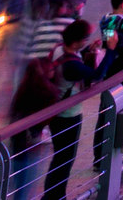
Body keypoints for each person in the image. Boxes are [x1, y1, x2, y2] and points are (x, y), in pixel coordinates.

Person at [44, 20, 98, 200]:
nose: (85, 42)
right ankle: (55, 196)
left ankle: (55, 195)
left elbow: (76, 58)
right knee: (64, 159)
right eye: (85, 39)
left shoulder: (60, 49)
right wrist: (111, 50)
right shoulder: (72, 65)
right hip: (68, 115)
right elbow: (96, 75)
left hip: (56, 112)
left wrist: (88, 48)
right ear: (77, 40)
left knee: (60, 157)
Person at [7, 50, 61, 200]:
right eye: (50, 69)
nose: (53, 71)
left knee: (21, 185)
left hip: (19, 144)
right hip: (29, 146)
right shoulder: (44, 93)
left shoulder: (24, 88)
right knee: (25, 185)